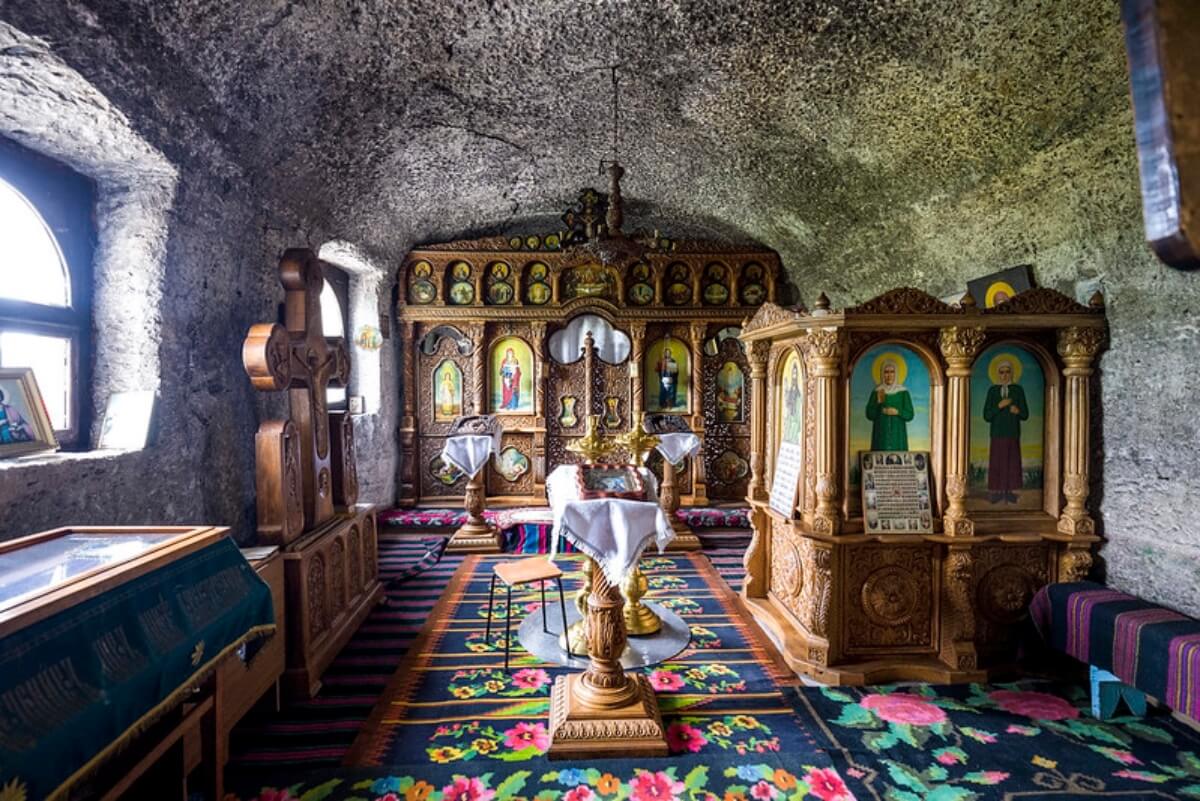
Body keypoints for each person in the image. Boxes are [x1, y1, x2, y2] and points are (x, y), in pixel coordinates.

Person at [982, 358, 1028, 503]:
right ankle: (997, 492)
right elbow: (986, 415)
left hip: (1013, 433)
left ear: (1012, 373)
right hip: (997, 433)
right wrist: (999, 406)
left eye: (1008, 372)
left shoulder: (1018, 390)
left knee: (1011, 462)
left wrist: (1018, 411)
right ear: (997, 374)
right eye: (1002, 372)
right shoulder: (993, 391)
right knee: (997, 462)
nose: (1005, 375)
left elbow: (1025, 414)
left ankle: (1009, 492)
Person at [865, 358, 914, 450]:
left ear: (896, 374)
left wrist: (897, 412)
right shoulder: (877, 391)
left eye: (892, 372)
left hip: (898, 437)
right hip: (881, 437)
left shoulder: (903, 392)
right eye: (886, 372)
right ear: (882, 374)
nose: (889, 375)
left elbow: (910, 415)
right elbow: (869, 415)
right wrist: (878, 404)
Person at [782, 360, 802, 443]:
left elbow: (799, 403)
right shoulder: (790, 389)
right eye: (793, 374)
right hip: (790, 416)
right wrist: (786, 389)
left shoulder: (798, 391)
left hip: (795, 416)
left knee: (794, 427)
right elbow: (787, 402)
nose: (794, 376)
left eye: (795, 374)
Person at [657, 344, 680, 409]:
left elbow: (675, 371)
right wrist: (661, 367)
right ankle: (663, 404)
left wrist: (672, 374)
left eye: (669, 353)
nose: (667, 354)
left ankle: (671, 404)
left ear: (670, 354)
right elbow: (658, 370)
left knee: (671, 392)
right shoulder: (661, 361)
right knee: (663, 391)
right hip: (664, 379)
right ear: (664, 354)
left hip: (672, 379)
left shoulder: (672, 361)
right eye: (666, 353)